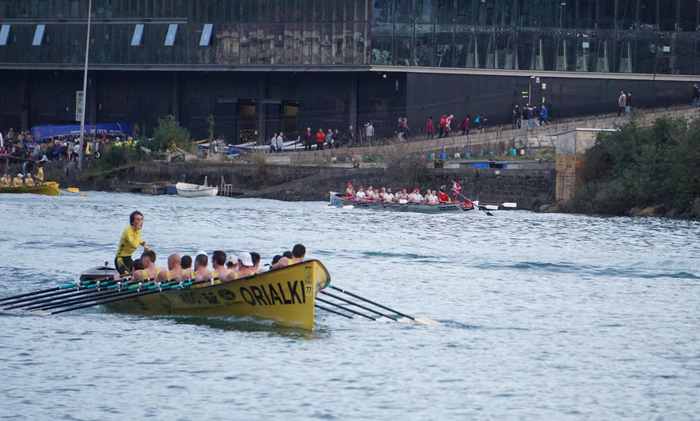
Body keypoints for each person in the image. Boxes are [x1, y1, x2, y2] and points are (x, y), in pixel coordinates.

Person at [115, 211, 149, 275]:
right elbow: (135, 244)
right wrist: (139, 231)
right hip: (121, 259)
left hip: (128, 258)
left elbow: (137, 239)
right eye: (138, 219)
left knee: (138, 274)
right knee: (129, 277)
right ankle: (116, 278)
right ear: (133, 222)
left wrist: (143, 243)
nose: (140, 222)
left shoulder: (136, 230)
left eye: (141, 219)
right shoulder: (128, 231)